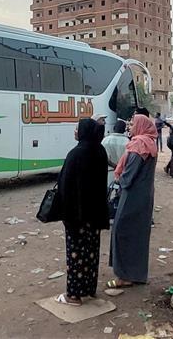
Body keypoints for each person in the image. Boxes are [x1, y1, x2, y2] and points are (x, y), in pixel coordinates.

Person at [55, 118, 110, 306]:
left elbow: (65, 185)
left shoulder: (76, 153)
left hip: (77, 215)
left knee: (76, 254)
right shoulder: (100, 151)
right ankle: (88, 288)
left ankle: (73, 295)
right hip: (95, 213)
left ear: (83, 131)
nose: (75, 131)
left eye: (77, 128)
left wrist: (63, 212)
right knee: (91, 252)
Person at [107, 114, 157, 289]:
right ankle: (136, 274)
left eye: (133, 124)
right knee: (138, 235)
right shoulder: (150, 143)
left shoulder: (139, 145)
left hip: (132, 196)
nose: (130, 126)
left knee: (122, 231)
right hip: (144, 195)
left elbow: (129, 175)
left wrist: (120, 181)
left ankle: (124, 276)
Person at [102, 120, 129, 186]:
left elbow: (102, 157)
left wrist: (114, 166)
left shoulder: (105, 140)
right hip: (122, 174)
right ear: (124, 130)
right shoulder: (128, 142)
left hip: (108, 173)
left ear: (114, 128)